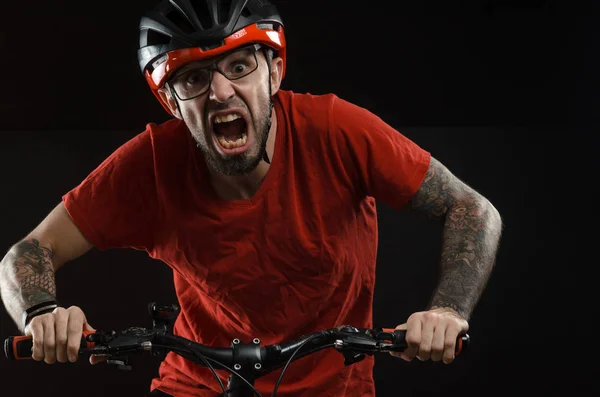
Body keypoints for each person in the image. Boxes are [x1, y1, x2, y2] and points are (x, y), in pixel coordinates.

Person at [0, 0, 503, 396]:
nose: (220, 93)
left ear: (274, 74)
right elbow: (25, 253)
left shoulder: (335, 131)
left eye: (239, 66)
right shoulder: (152, 163)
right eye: (194, 78)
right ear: (171, 102)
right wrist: (41, 314)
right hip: (198, 385)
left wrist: (448, 312)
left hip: (334, 388)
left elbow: (472, 208)